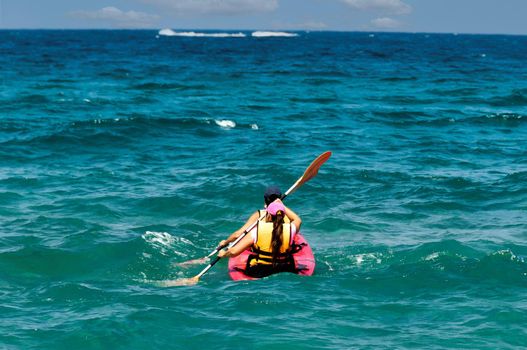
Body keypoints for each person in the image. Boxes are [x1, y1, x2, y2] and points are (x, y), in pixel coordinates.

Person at [218, 189, 302, 278]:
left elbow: (234, 252)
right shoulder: (291, 228)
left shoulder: (257, 230)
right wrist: (281, 205)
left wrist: (224, 253)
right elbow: (298, 220)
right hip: (285, 268)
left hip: (261, 270)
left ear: (268, 214)